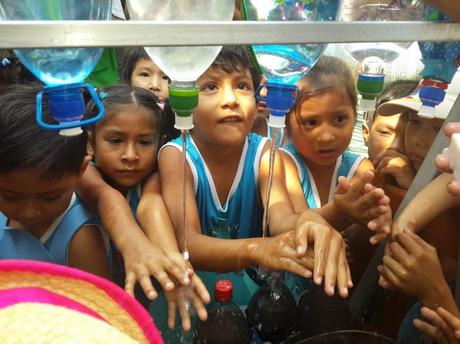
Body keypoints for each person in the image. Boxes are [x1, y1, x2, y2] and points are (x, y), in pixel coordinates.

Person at [157, 46, 351, 309]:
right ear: (185, 96)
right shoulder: (176, 155)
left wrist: (314, 223)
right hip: (193, 294)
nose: (231, 99)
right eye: (211, 87)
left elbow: (282, 219)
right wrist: (259, 249)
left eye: (242, 85)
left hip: (247, 295)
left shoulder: (264, 154)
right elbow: (188, 242)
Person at [84, 85, 209, 331]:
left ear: (159, 143)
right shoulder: (83, 174)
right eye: (116, 140)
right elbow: (107, 197)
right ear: (90, 142)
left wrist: (172, 257)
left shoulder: (151, 179)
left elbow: (151, 205)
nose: (130, 155)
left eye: (144, 142)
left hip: (140, 303)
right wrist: (136, 244)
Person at [0, 84, 110, 279]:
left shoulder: (82, 241)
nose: (30, 211)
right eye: (10, 196)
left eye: (50, 197)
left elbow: (97, 304)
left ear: (82, 169)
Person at [281, 55, 391, 240]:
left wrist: (374, 221)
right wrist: (340, 213)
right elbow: (295, 226)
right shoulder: (283, 163)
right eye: (311, 122)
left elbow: (365, 230)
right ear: (286, 124)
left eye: (339, 119)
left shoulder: (362, 170)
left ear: (355, 116)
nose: (326, 136)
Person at [362, 80, 419, 162]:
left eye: (406, 137)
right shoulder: (344, 170)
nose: (395, 146)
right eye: (384, 132)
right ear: (366, 133)